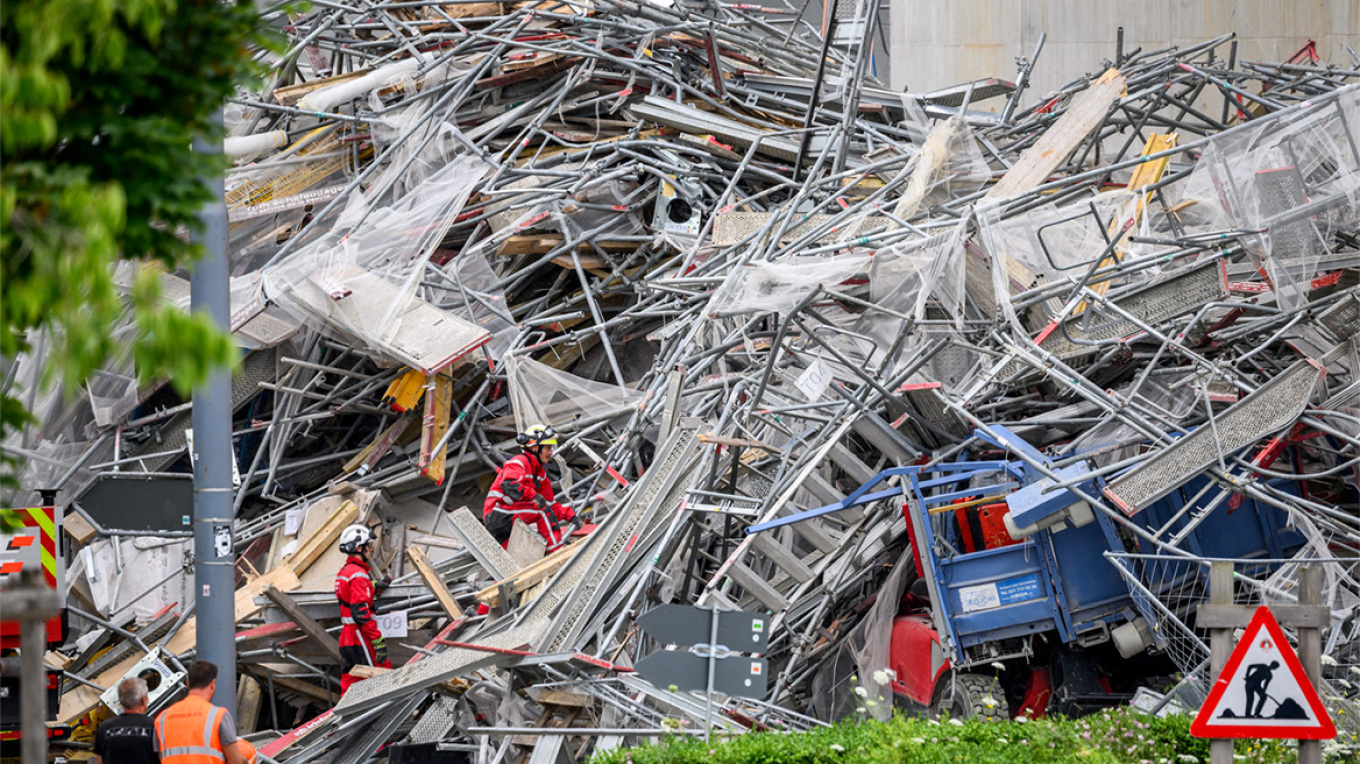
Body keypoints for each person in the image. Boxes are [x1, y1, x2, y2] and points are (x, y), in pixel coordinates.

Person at [483, 424, 581, 554]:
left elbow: (550, 504)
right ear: (535, 447)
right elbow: (509, 485)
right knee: (541, 512)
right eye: (547, 448)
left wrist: (570, 516)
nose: (551, 453)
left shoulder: (540, 474)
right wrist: (534, 496)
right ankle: (557, 554)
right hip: (496, 516)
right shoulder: (519, 462)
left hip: (510, 520)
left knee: (520, 559)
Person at [335, 524, 391, 695]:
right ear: (359, 547)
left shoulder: (344, 572)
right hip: (361, 636)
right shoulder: (359, 574)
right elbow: (361, 612)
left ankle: (346, 717)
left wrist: (374, 585)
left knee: (351, 679)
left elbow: (350, 594)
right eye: (368, 545)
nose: (371, 549)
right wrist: (377, 641)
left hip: (348, 637)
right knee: (380, 676)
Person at [155, 660, 246, 764]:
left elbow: (161, 757)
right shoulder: (218, 715)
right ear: (213, 684)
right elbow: (236, 761)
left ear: (188, 683)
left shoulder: (162, 718)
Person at [94, 677, 158, 764]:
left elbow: (99, 760)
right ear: (143, 700)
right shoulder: (155, 726)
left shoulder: (104, 728)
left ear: (121, 700)